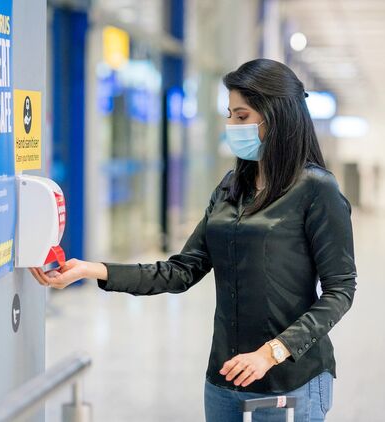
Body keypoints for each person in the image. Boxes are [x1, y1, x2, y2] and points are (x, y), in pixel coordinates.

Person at [30, 59, 357, 422]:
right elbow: (181, 271)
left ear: (277, 117)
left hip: (289, 381)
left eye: (242, 116)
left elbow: (340, 290)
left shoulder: (316, 189)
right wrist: (93, 270)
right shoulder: (231, 188)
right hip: (224, 379)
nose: (232, 126)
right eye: (230, 115)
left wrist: (272, 352)